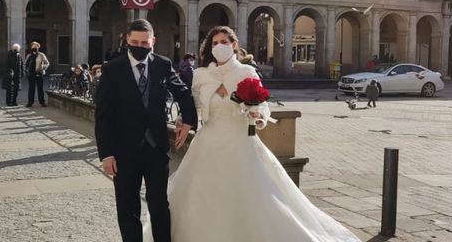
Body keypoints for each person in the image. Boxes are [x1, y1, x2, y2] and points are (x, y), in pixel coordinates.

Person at [143, 26, 361, 242]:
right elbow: (194, 106)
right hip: (208, 143)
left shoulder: (246, 72)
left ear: (234, 45)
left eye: (224, 42)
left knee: (252, 196)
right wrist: (184, 121)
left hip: (240, 143)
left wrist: (256, 115)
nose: (220, 46)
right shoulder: (200, 75)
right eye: (215, 43)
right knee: (201, 196)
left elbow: (262, 106)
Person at [95, 19, 198, 242]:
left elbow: (182, 92)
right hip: (123, 152)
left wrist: (189, 119)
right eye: (135, 42)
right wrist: (106, 154)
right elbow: (103, 116)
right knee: (127, 207)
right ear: (126, 40)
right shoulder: (112, 69)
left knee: (160, 205)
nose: (139, 47)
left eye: (145, 43)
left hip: (156, 149)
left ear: (153, 41)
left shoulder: (162, 63)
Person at [25, 41, 49, 108]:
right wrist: (26, 71)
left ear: (38, 47)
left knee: (40, 89)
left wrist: (43, 67)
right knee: (31, 88)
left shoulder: (41, 55)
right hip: (31, 74)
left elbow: (47, 63)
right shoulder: (29, 55)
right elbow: (25, 64)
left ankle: (42, 102)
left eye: (36, 46)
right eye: (33, 46)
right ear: (31, 47)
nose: (34, 47)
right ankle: (30, 103)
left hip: (39, 73)